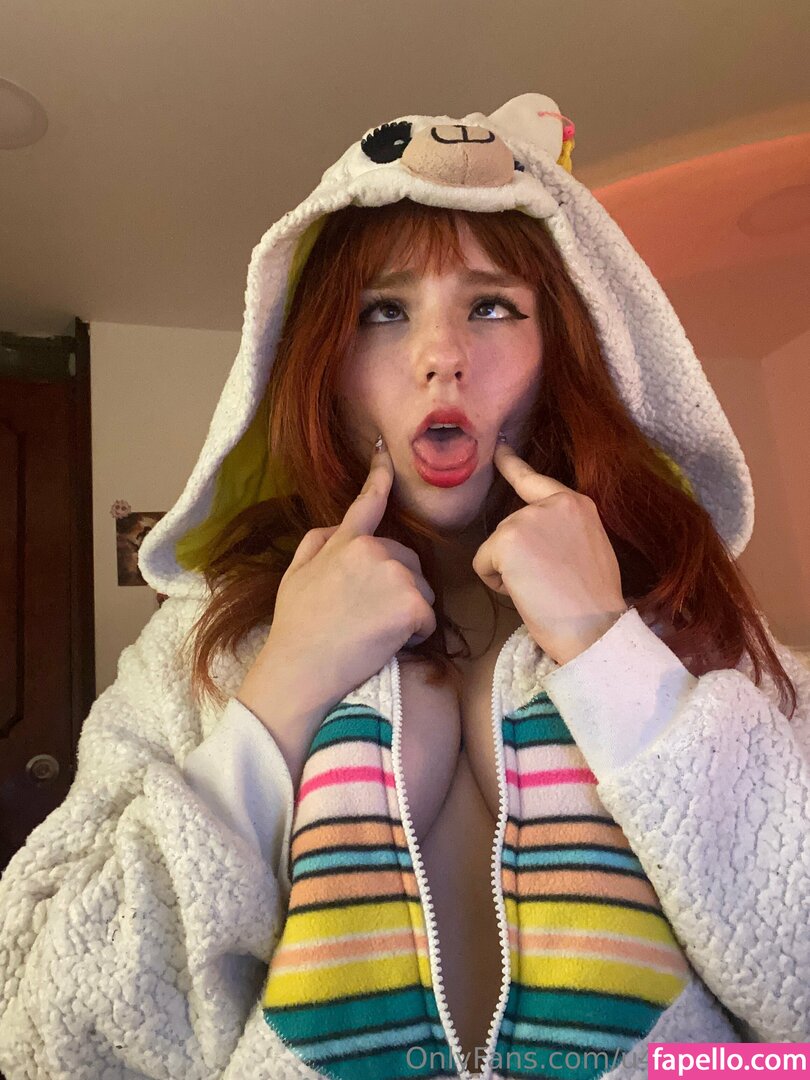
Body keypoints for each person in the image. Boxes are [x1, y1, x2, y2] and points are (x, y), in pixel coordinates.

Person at [0, 92, 807, 1080]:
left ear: (564, 351)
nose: (441, 357)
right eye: (383, 311)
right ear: (321, 370)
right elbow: (44, 1037)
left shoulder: (692, 623)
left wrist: (613, 654)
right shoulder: (201, 644)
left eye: (491, 306)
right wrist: (283, 692)